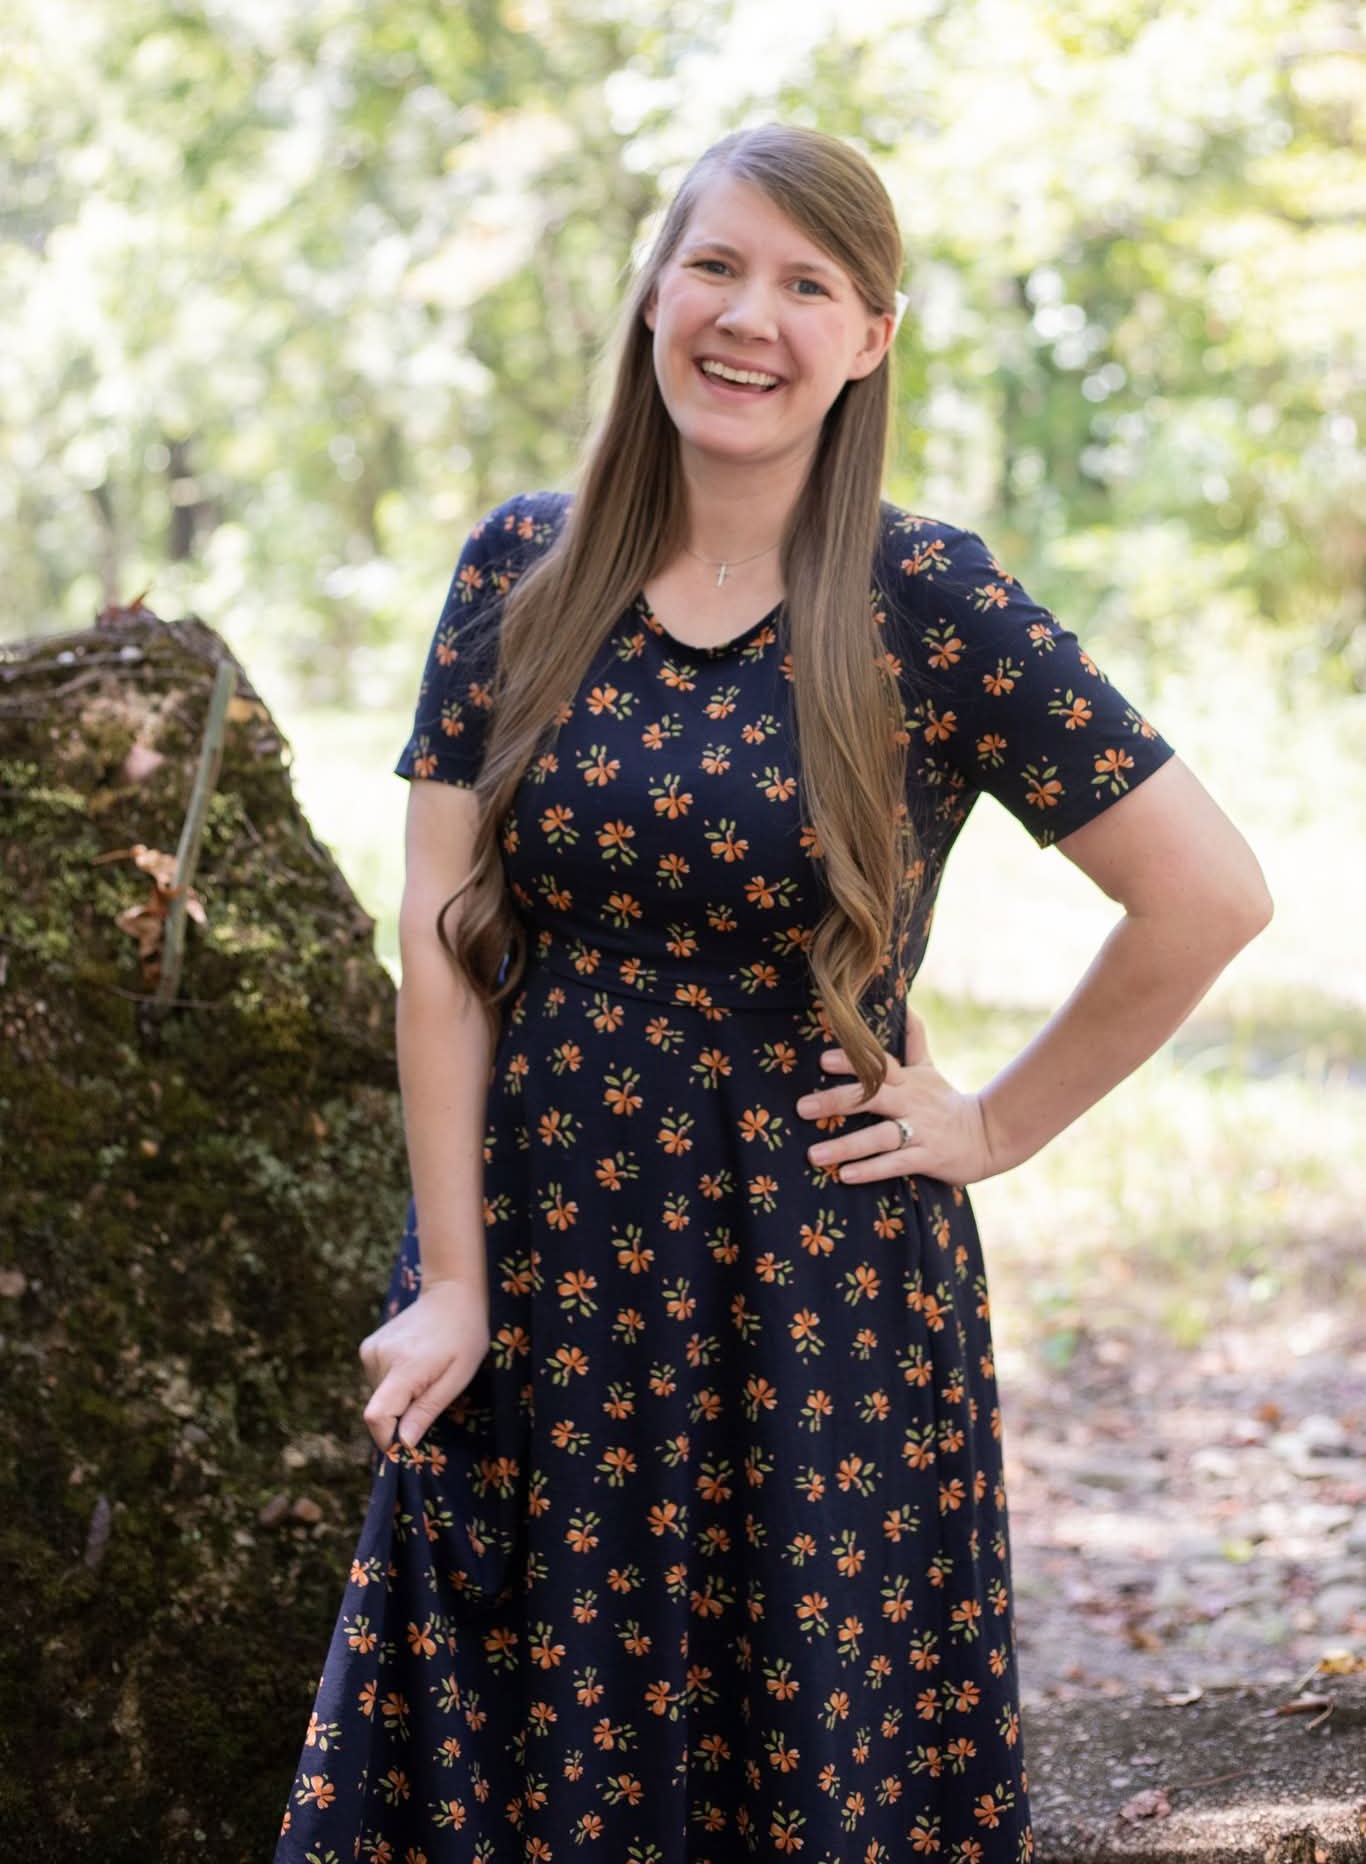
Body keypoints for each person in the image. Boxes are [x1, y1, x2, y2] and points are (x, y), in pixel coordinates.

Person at [274, 122, 1271, 1863]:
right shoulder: (520, 562)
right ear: (654, 294)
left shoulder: (928, 600)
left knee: (804, 1762)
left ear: (870, 338)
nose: (752, 318)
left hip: (811, 1295)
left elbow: (1205, 894)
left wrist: (993, 1125)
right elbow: (440, 945)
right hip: (536, 1258)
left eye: (809, 284)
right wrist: (450, 1283)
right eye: (718, 266)